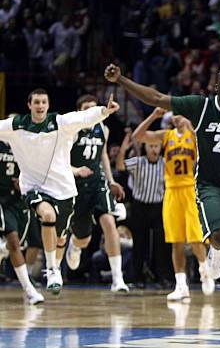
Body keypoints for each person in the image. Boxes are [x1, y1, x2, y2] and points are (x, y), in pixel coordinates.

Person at [104, 65, 220, 326]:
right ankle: (214, 254)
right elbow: (157, 98)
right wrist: (122, 80)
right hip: (209, 186)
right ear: (215, 87)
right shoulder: (201, 107)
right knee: (217, 235)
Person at [0, 89, 119, 294]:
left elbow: (83, 117)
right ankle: (52, 269)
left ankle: (57, 262)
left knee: (61, 238)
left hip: (62, 189)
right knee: (48, 215)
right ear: (29, 105)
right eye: (36, 102)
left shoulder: (61, 123)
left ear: (48, 105)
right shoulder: (16, 125)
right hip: (33, 187)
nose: (40, 106)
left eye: (43, 102)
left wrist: (103, 111)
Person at [131, 108, 209, 301]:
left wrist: (188, 124)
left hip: (191, 189)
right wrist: (153, 116)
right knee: (176, 241)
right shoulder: (166, 135)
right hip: (171, 191)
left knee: (195, 238)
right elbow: (138, 136)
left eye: (180, 113)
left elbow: (205, 149)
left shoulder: (195, 135)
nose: (176, 117)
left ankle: (204, 269)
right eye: (174, 113)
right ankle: (181, 285)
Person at [66, 94, 128, 293]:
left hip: (97, 183)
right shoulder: (71, 131)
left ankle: (118, 279)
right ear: (79, 112)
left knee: (109, 223)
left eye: (95, 108)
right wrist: (76, 170)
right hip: (76, 186)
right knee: (83, 238)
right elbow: (60, 161)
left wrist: (111, 181)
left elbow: (103, 157)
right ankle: (75, 245)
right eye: (87, 108)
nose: (92, 112)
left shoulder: (103, 129)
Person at [116, 128, 170, 287]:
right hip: (140, 207)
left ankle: (163, 278)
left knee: (162, 245)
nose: (153, 149)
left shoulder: (166, 163)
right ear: (145, 147)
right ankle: (137, 277)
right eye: (151, 146)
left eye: (156, 146)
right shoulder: (138, 162)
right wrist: (123, 151)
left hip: (159, 207)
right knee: (139, 244)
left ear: (161, 147)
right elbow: (120, 166)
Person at [0, 137, 44, 304]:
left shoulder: (25, 147)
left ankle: (4, 249)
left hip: (19, 200)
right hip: (2, 199)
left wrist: (24, 182)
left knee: (18, 244)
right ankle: (29, 289)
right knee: (14, 242)